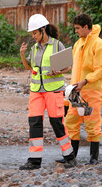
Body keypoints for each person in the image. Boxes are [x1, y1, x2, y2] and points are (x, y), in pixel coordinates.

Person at [19, 14, 76, 170]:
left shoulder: (57, 45)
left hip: (54, 90)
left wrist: (57, 71)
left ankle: (69, 157)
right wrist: (22, 54)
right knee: (34, 123)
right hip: (36, 91)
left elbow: (68, 67)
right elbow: (29, 68)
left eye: (35, 33)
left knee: (57, 123)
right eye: (32, 34)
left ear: (43, 30)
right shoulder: (34, 47)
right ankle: (34, 161)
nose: (33, 36)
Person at [56, 13, 102, 165]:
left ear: (86, 27)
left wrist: (85, 81)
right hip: (76, 91)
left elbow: (101, 71)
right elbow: (74, 67)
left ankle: (94, 158)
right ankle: (71, 156)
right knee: (71, 121)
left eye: (78, 28)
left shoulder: (100, 45)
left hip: (92, 90)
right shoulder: (78, 44)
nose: (76, 31)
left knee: (92, 123)